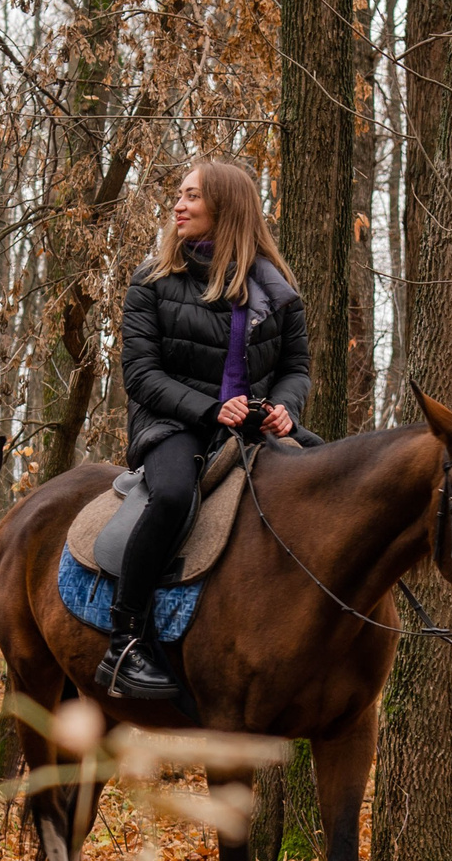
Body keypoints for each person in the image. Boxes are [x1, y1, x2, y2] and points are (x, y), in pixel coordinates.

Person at [100, 158, 311, 700]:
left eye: (192, 196)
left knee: (328, 485)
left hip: (255, 426)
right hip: (174, 423)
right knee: (170, 496)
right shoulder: (151, 283)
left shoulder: (278, 290)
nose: (179, 205)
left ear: (227, 208)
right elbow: (140, 375)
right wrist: (208, 409)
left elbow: (296, 369)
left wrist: (286, 407)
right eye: (179, 195)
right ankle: (125, 641)